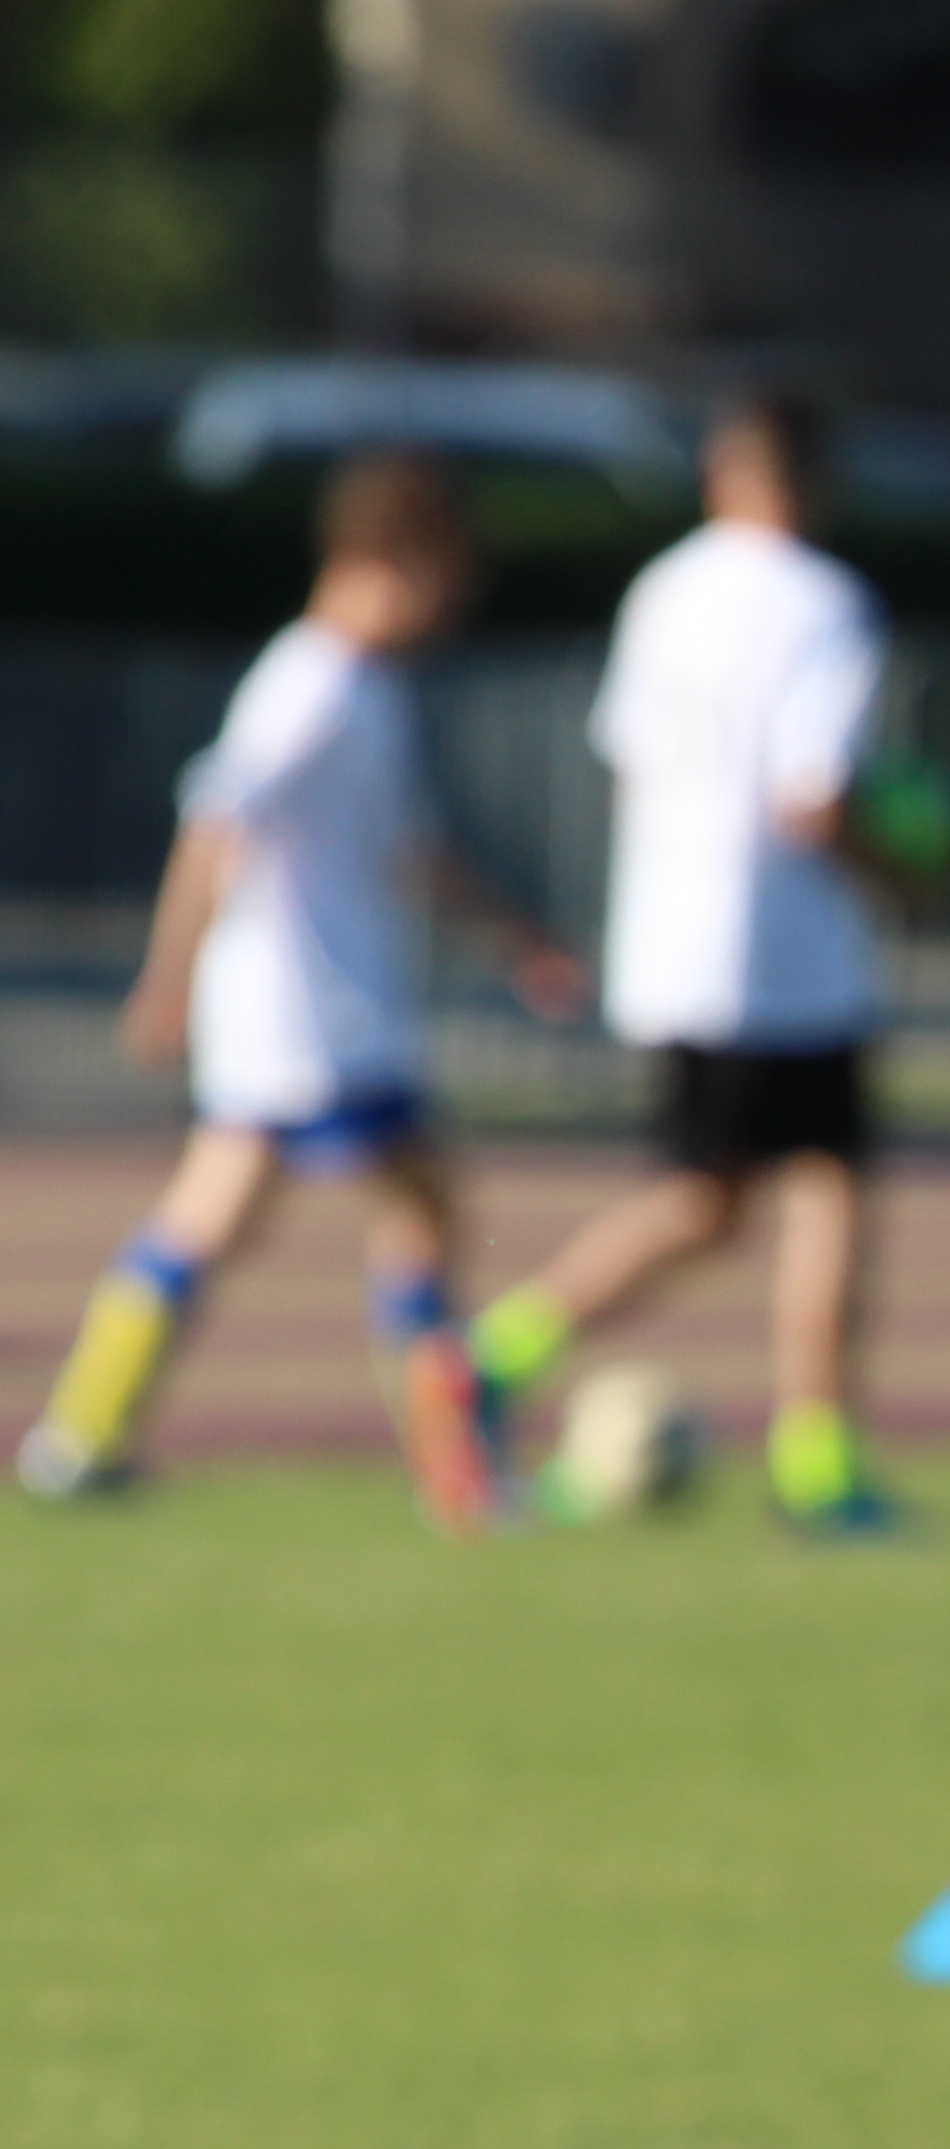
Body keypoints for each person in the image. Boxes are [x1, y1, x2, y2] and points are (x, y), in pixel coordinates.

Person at [22, 449, 585, 1520]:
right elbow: (215, 819)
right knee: (416, 1206)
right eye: (446, 577)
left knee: (231, 1215)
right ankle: (455, 1468)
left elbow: (410, 851)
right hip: (314, 1014)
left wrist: (519, 938)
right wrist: (169, 978)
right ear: (391, 560)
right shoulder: (312, 684)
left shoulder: (362, 685)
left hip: (306, 1012)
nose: (450, 606)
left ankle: (79, 1438)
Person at [463, 388, 905, 1535]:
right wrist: (904, 872)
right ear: (814, 479)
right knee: (825, 1194)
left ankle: (496, 1360)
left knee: (705, 1202)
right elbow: (814, 798)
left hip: (673, 946)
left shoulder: (663, 589)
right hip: (787, 952)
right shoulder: (824, 602)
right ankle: (819, 1468)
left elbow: (630, 760)